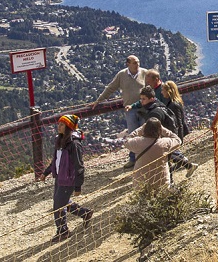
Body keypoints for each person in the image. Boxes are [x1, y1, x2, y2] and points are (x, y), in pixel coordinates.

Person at [41, 114, 93, 242]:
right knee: (61, 202)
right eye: (59, 124)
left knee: (58, 205)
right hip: (60, 177)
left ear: (69, 127)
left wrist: (77, 186)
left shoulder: (74, 144)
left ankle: (63, 231)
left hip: (68, 179)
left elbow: (79, 166)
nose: (58, 126)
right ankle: (84, 213)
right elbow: (56, 160)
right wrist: (46, 172)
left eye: (62, 124)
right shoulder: (60, 140)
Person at [92, 55, 147, 169]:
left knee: (145, 133)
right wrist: (99, 100)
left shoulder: (144, 73)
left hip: (144, 108)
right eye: (135, 63)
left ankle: (145, 158)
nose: (137, 65)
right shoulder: (121, 75)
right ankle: (133, 159)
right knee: (133, 135)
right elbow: (111, 88)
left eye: (138, 62)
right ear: (128, 64)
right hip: (130, 110)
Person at [124, 117, 181, 190]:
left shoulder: (138, 142)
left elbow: (126, 140)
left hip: (140, 184)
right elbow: (178, 140)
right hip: (162, 182)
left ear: (145, 129)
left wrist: (141, 129)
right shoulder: (165, 143)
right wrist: (163, 130)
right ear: (159, 130)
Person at [161, 80, 199, 177]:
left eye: (163, 90)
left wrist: (179, 138)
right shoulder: (173, 103)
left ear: (168, 91)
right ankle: (185, 164)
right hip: (173, 134)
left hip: (174, 134)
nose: (162, 92)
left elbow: (179, 122)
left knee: (168, 154)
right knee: (170, 154)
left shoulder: (174, 105)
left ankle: (188, 165)